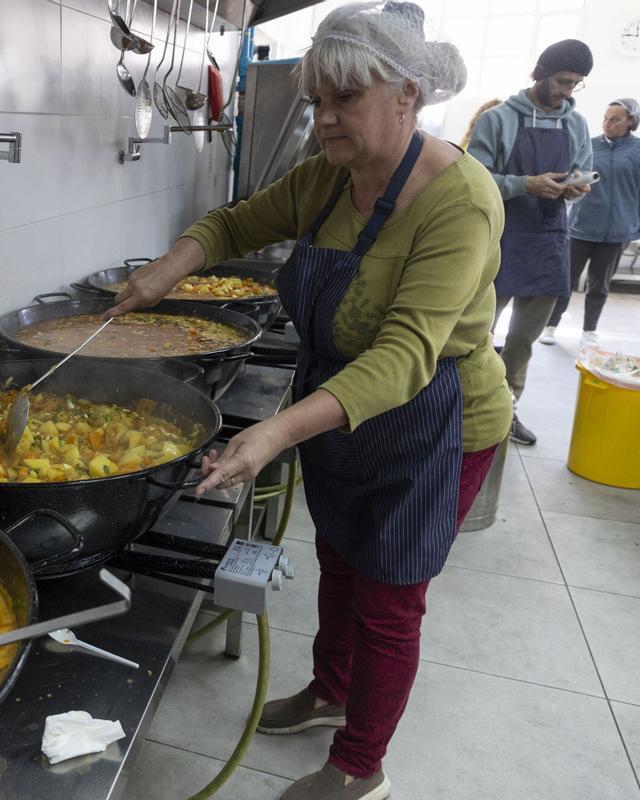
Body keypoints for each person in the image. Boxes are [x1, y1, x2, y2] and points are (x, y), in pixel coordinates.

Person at [108, 3, 511, 798]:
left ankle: (362, 766)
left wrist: (272, 436)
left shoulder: (460, 201)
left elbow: (403, 357)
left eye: (344, 102)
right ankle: (331, 691)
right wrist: (164, 272)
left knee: (390, 594)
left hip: (438, 419)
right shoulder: (329, 176)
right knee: (338, 557)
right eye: (316, 101)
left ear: (407, 95)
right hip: (337, 407)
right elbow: (231, 224)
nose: (323, 120)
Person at [467, 39, 594, 445]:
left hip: (549, 241)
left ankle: (508, 409)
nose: (567, 91)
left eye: (576, 84)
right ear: (540, 72)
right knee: (476, 332)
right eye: (562, 81)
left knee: (523, 339)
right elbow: (475, 180)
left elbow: (584, 169)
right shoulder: (498, 120)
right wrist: (525, 184)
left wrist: (576, 187)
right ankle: (465, 407)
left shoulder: (576, 125)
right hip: (501, 240)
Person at [540, 98, 640, 346]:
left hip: (618, 231)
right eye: (605, 118)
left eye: (615, 119)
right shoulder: (590, 145)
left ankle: (589, 331)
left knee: (599, 286)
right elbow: (569, 174)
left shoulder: (637, 152)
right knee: (565, 281)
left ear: (631, 122)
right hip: (581, 227)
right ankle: (551, 325)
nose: (607, 124)